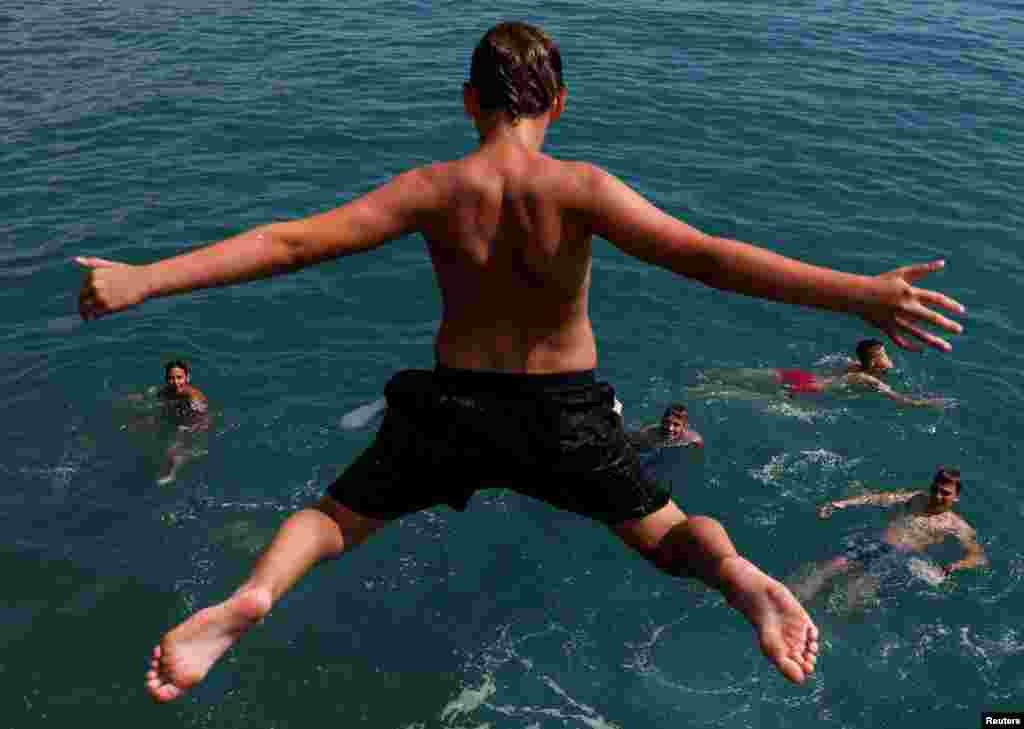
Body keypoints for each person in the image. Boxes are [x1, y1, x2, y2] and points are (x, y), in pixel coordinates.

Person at [72, 21, 967, 700]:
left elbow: (289, 240)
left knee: (333, 519)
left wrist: (146, 278)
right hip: (566, 413)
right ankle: (745, 582)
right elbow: (711, 256)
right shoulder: (581, 189)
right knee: (667, 533)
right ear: (560, 104)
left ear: (469, 101)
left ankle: (255, 597)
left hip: (452, 408)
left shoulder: (433, 189)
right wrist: (857, 293)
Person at [794, 468, 987, 604]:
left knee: (855, 592)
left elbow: (978, 556)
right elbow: (880, 498)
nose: (937, 496)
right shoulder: (916, 498)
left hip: (898, 558)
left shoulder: (956, 525)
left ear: (956, 497)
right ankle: (792, 601)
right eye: (935, 489)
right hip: (876, 543)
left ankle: (830, 626)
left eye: (945, 493)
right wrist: (843, 503)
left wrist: (956, 565)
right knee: (829, 568)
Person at [700, 339, 951, 407]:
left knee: (743, 376)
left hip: (800, 376)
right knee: (737, 394)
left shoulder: (852, 365)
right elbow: (902, 400)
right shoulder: (867, 379)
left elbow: (833, 363)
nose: (890, 359)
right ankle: (705, 390)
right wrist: (927, 403)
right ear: (875, 363)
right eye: (885, 355)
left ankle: (707, 373)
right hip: (804, 390)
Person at [122, 360, 210, 484]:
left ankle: (171, 472)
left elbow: (203, 416)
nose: (175, 382)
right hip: (173, 417)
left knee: (173, 448)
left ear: (187, 378)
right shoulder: (166, 390)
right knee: (140, 425)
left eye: (179, 378)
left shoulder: (193, 396)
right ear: (166, 379)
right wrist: (136, 398)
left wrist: (192, 429)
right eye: (171, 378)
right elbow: (152, 397)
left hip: (190, 423)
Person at [628, 403, 704, 450]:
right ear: (661, 421)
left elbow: (699, 445)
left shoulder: (691, 438)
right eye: (667, 422)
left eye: (676, 425)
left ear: (684, 426)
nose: (669, 428)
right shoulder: (650, 433)